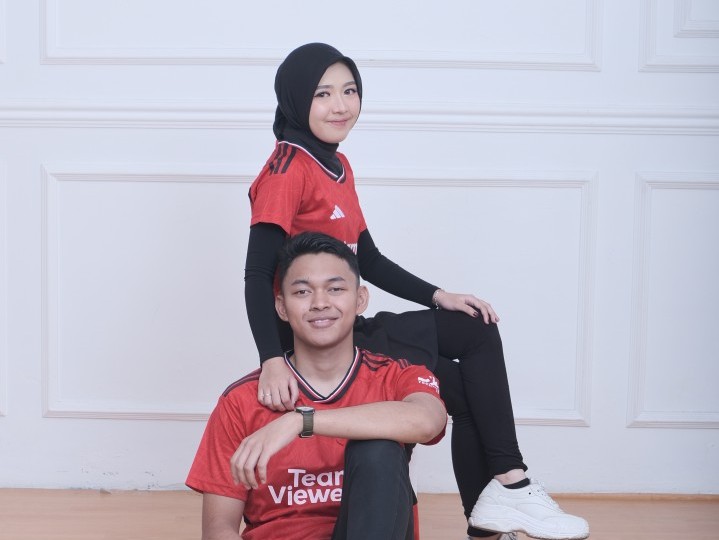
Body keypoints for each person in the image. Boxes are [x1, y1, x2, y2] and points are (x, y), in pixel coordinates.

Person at [243, 42, 589, 540]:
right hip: (317, 341)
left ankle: (492, 514)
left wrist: (438, 295)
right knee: (469, 356)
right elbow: (257, 273)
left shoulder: (338, 166)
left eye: (350, 91)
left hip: (350, 325)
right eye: (323, 94)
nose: (340, 105)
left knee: (468, 356)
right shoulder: (286, 169)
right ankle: (511, 485)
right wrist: (272, 359)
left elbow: (368, 259)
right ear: (297, 100)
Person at [187, 232, 448, 539]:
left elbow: (427, 421)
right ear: (281, 307)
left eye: (335, 289)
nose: (320, 303)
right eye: (302, 292)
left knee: (378, 449)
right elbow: (218, 529)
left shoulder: (396, 376)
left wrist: (301, 421)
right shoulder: (241, 400)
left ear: (360, 299)